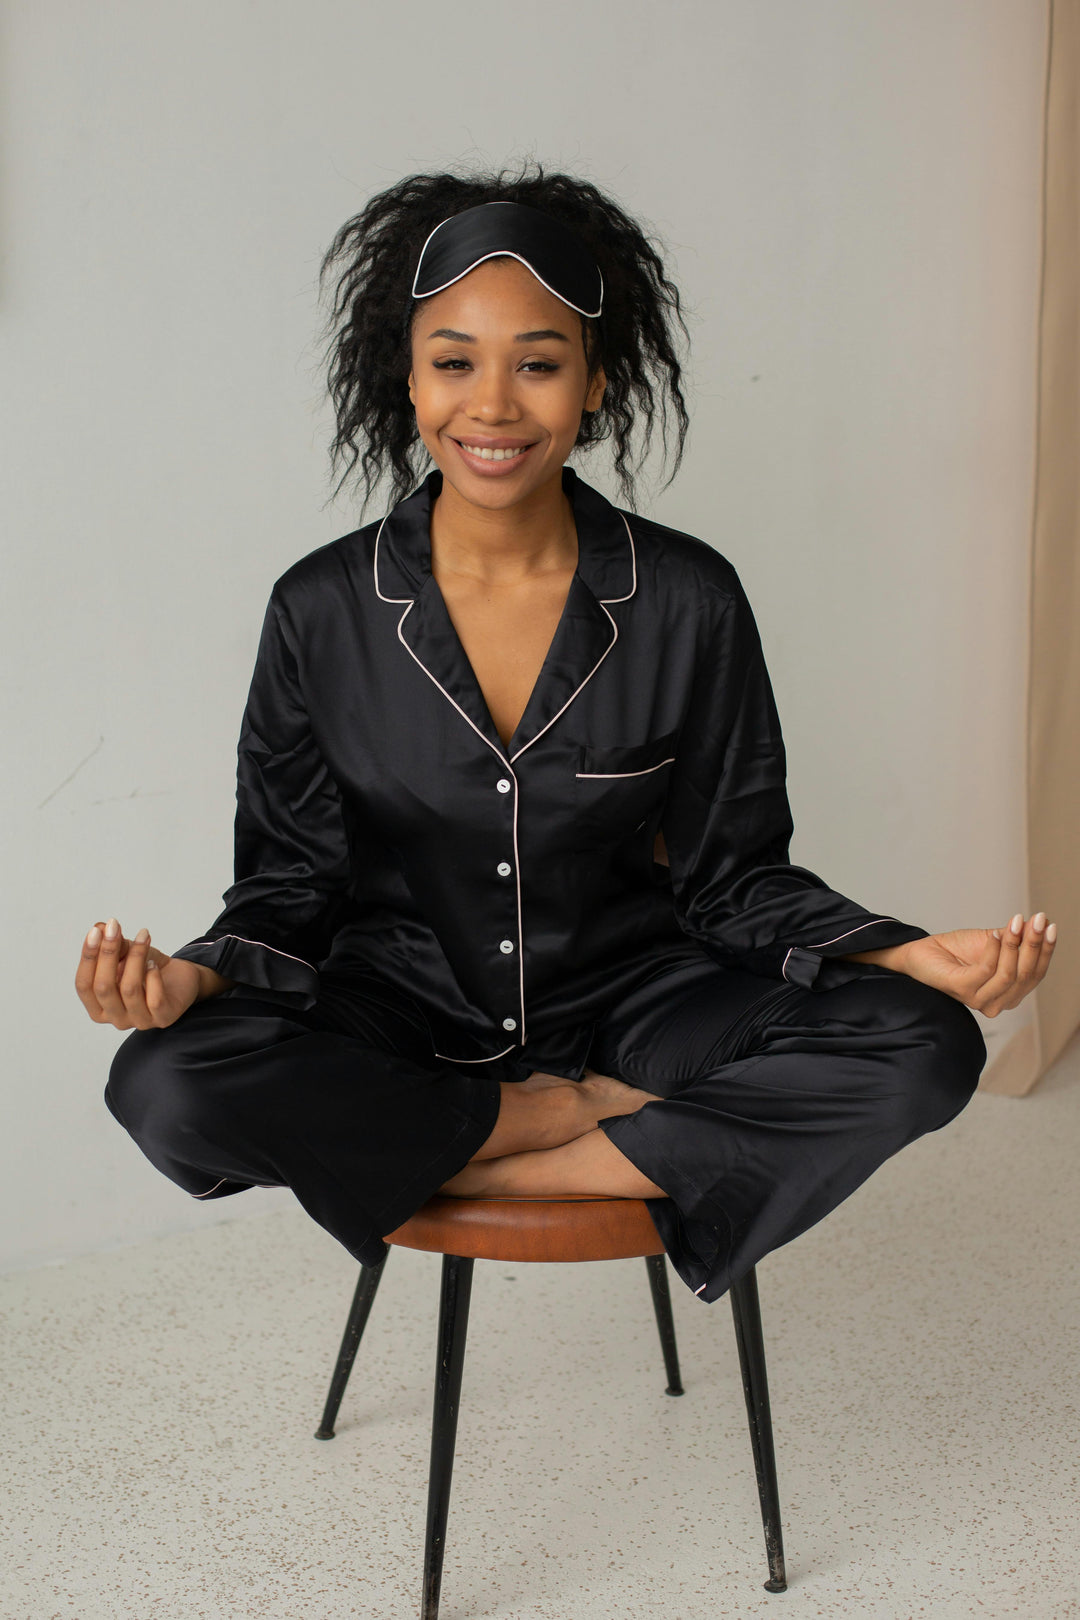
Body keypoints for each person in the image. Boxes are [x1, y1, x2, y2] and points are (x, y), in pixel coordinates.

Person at [78, 165, 1056, 1304]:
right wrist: (190, 983)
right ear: (407, 379)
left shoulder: (689, 598)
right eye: (455, 362)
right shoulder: (321, 609)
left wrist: (898, 952)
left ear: (594, 385)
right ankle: (549, 1123)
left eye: (538, 363)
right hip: (403, 1005)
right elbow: (291, 885)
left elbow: (735, 876)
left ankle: (489, 1162)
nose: (493, 405)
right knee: (165, 1085)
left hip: (638, 1002)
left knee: (924, 1041)